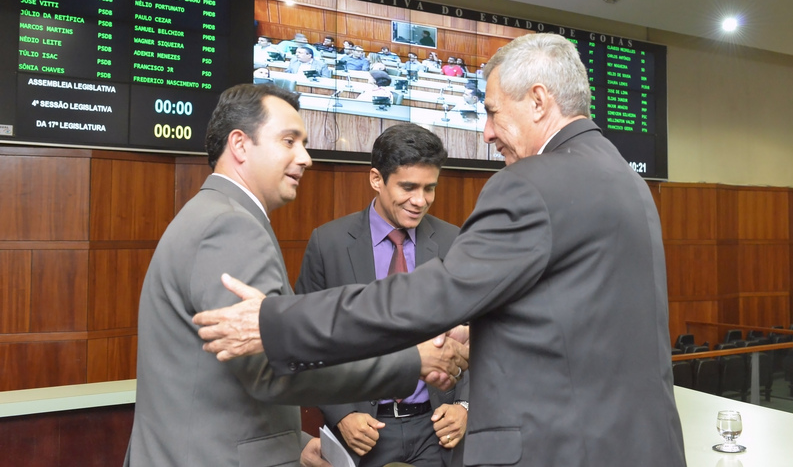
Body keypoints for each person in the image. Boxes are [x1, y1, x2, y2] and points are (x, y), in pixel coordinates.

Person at [193, 34, 687, 467]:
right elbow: (574, 320)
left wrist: (275, 321)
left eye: (492, 111)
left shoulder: (533, 182)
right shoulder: (625, 178)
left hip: (562, 449)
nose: (486, 132)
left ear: (538, 101)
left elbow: (429, 296)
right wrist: (481, 332)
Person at [125, 83, 468, 467]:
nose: (305, 157)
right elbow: (272, 365)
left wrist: (295, 443)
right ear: (240, 145)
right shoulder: (229, 227)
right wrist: (410, 361)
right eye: (289, 141)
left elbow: (235, 373)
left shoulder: (214, 213)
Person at [295, 124, 469, 467]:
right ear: (376, 179)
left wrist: (464, 406)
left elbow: (481, 331)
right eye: (408, 187)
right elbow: (307, 341)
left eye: (430, 188)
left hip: (437, 428)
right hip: (362, 430)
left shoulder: (454, 242)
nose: (420, 200)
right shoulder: (328, 245)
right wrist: (342, 413)